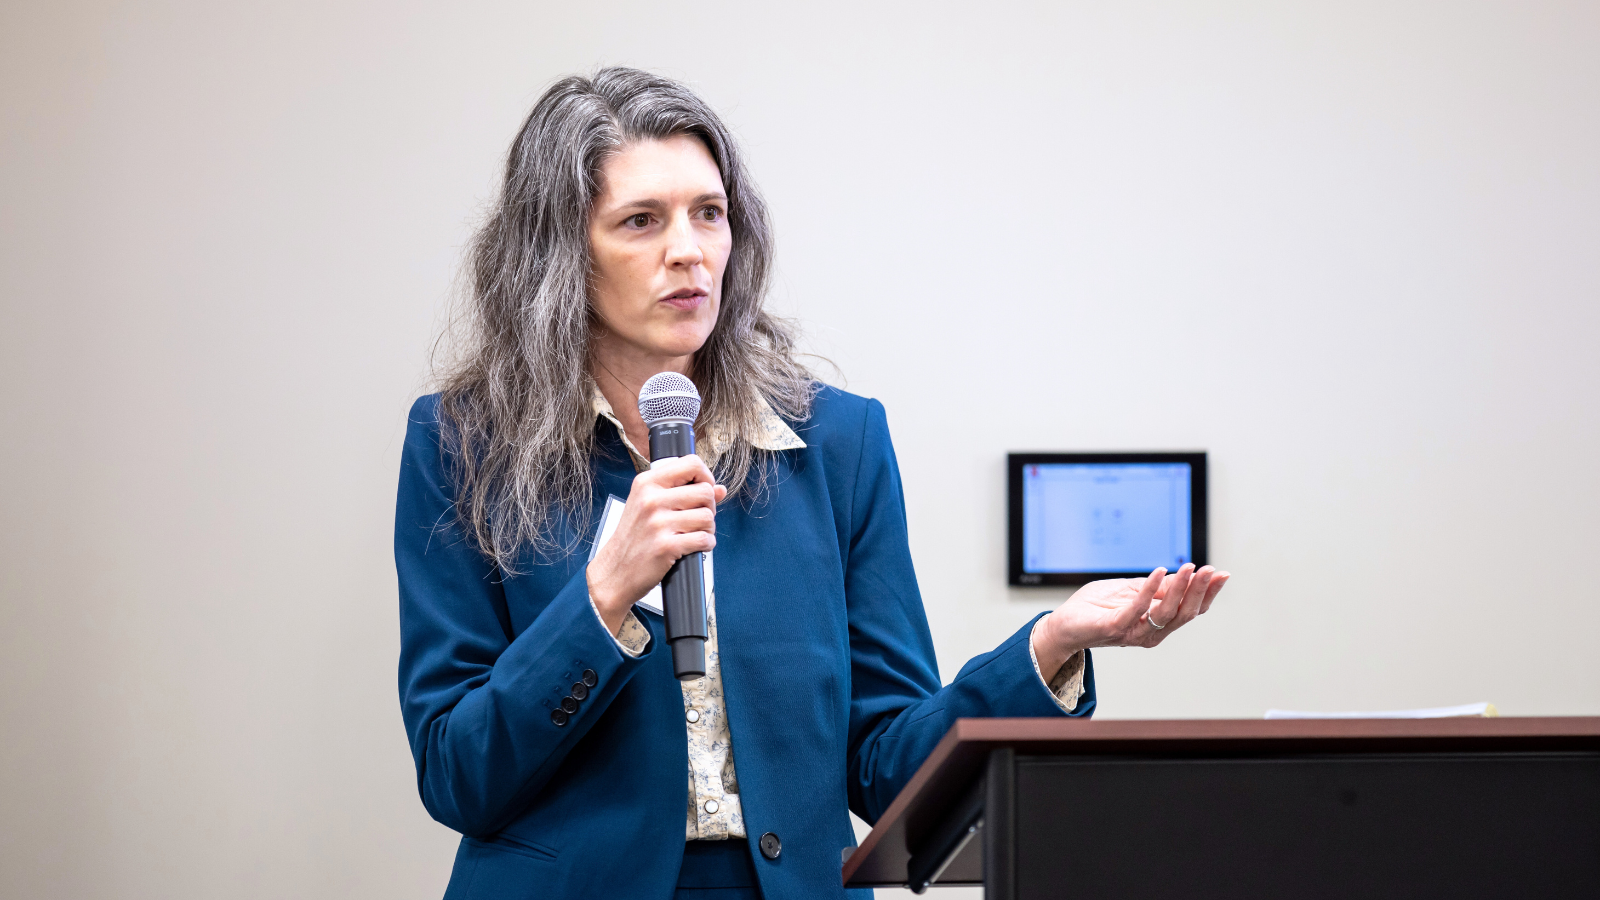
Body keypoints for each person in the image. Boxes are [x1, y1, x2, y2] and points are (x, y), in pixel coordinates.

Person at [395, 67, 1229, 900]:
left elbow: (888, 765)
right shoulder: (461, 445)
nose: (687, 251)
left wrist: (1049, 647)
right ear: (561, 254)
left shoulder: (837, 442)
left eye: (708, 214)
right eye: (641, 221)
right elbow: (457, 774)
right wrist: (601, 601)